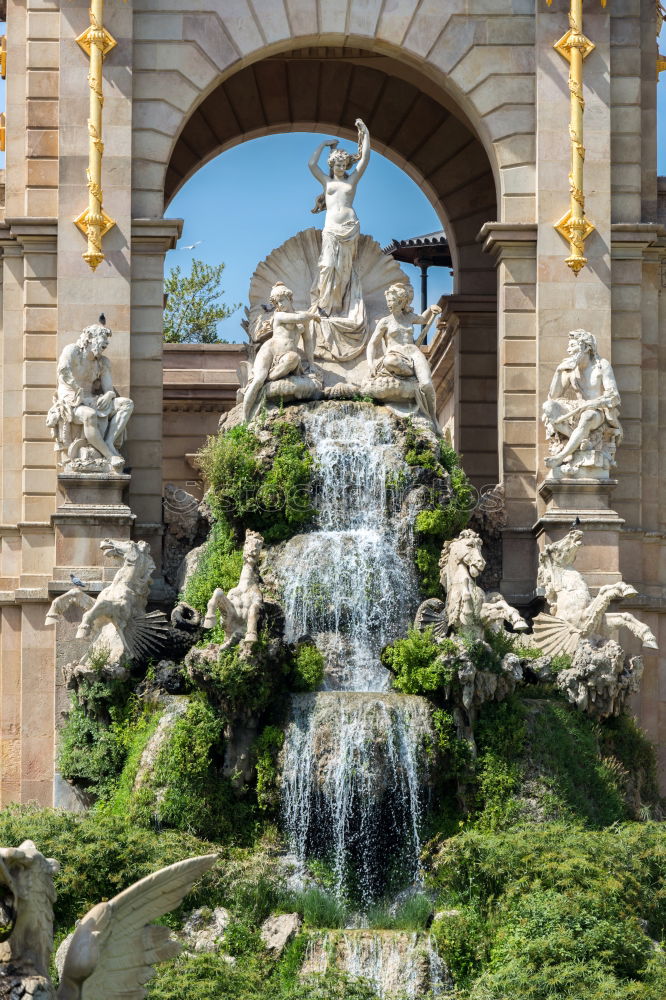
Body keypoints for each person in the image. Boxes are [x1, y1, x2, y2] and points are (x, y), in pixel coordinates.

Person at [308, 119, 371, 360]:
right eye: (338, 163)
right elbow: (311, 164)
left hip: (349, 228)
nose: (341, 167)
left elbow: (364, 159)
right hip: (331, 229)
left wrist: (365, 134)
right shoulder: (327, 181)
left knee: (344, 271)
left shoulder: (351, 180)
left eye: (345, 163)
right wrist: (324, 144)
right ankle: (324, 307)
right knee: (326, 267)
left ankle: (339, 308)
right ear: (332, 164)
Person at [47, 318, 133, 472]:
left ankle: (108, 442)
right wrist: (76, 387)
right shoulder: (72, 351)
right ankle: (109, 455)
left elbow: (108, 388)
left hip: (91, 399)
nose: (105, 346)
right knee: (90, 415)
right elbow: (63, 371)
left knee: (126, 404)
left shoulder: (103, 362)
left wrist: (108, 395)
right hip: (71, 400)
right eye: (102, 341)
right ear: (90, 339)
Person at [543, 329, 622, 472]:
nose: (568, 350)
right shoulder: (570, 369)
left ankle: (561, 457)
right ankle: (581, 440)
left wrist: (594, 403)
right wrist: (559, 371)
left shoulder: (601, 365)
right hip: (576, 408)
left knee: (588, 416)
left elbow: (614, 396)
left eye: (573, 346)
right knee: (548, 407)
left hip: (597, 410)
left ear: (586, 347)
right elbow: (554, 396)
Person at [366, 283, 442, 432]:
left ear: (401, 302)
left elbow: (423, 320)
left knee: (426, 384)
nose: (388, 304)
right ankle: (412, 380)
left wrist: (431, 310)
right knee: (389, 361)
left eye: (391, 301)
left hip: (413, 353)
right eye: (387, 301)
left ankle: (433, 418)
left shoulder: (409, 317)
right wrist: (370, 364)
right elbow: (372, 344)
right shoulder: (385, 322)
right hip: (395, 355)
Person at [242, 282, 320, 422]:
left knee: (293, 358)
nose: (280, 305)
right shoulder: (279, 316)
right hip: (270, 350)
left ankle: (268, 380)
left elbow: (308, 342)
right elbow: (298, 318)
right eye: (276, 303)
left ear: (290, 299)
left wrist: (312, 364)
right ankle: (244, 419)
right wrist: (313, 315)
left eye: (282, 301)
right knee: (258, 379)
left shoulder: (303, 320)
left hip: (286, 357)